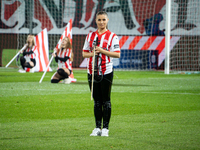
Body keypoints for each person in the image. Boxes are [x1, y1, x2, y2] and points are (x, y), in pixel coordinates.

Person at [82, 11, 120, 136]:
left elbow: (117, 54)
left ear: (107, 20)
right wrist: (93, 53)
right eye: (99, 20)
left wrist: (102, 51)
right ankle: (97, 128)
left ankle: (105, 129)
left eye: (104, 20)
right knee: (97, 101)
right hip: (91, 71)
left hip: (106, 71)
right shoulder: (90, 36)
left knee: (106, 100)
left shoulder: (112, 36)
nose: (101, 22)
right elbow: (84, 53)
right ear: (96, 21)